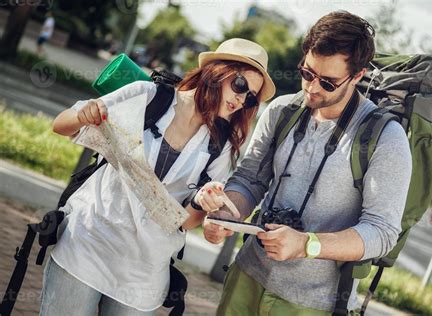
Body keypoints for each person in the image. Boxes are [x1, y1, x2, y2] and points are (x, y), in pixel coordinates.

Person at [196, 11, 412, 315]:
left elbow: (382, 231)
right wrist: (224, 214)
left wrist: (307, 244)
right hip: (246, 276)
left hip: (312, 304)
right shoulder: (282, 110)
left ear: (358, 76)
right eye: (307, 73)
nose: (312, 87)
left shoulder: (386, 138)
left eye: (328, 82)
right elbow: (249, 180)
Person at [39, 38, 275, 315]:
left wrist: (200, 201)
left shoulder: (221, 144)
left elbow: (187, 222)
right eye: (239, 85)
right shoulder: (148, 95)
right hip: (89, 243)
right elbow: (61, 125)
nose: (241, 98)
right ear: (216, 72)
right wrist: (84, 116)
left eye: (251, 97)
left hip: (144, 273)